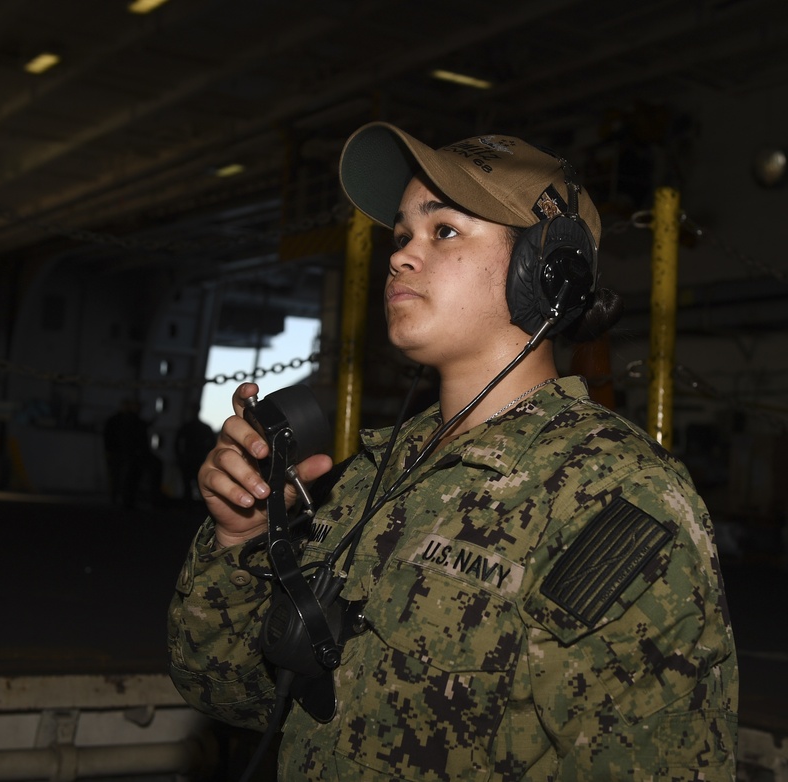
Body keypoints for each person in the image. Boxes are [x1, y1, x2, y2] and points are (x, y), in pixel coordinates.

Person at [167, 123, 738, 780]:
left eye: (443, 231)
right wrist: (240, 541)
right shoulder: (371, 478)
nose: (401, 256)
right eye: (401, 235)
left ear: (546, 272)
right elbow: (231, 691)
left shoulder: (612, 496)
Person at [103, 398, 161, 508]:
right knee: (122, 477)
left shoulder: (122, 420)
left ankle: (123, 500)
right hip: (124, 454)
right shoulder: (123, 421)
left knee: (125, 477)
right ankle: (121, 500)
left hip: (126, 454)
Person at [174, 406, 216, 504]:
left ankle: (189, 506)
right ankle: (196, 507)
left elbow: (177, 443)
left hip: (192, 459)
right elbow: (213, 444)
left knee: (190, 484)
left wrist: (180, 456)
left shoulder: (187, 427)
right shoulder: (204, 428)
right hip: (196, 459)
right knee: (197, 484)